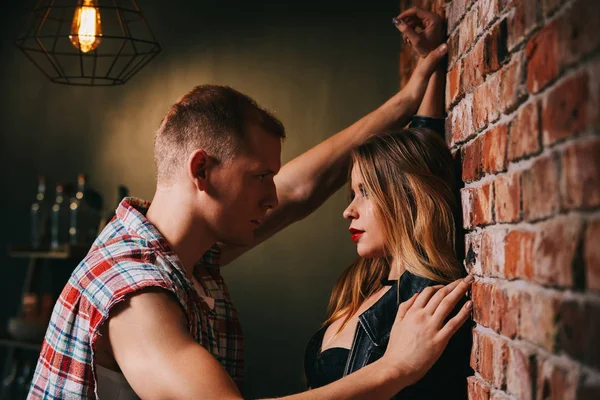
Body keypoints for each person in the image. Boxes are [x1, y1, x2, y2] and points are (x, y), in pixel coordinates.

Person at [27, 8, 472, 400]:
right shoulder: (137, 293)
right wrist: (397, 367)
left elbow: (303, 190)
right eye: (261, 177)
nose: (274, 195)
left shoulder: (179, 256)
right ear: (202, 171)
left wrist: (409, 97)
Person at [304, 8, 472, 399]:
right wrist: (429, 60)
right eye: (352, 194)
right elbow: (420, 147)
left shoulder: (423, 303)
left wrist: (430, 59)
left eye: (364, 192)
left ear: (406, 198)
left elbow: (421, 157)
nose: (348, 210)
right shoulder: (365, 286)